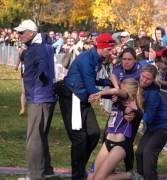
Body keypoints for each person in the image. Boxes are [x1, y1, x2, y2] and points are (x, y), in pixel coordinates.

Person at [57, 33, 115, 180]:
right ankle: (77, 175)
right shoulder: (86, 59)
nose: (111, 52)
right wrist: (115, 94)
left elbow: (93, 79)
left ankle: (80, 166)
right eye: (109, 49)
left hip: (83, 98)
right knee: (80, 140)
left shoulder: (98, 58)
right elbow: (92, 90)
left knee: (94, 133)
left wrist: (108, 83)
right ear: (101, 48)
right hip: (72, 97)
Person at [15, 19, 56, 180]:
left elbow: (42, 65)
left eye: (21, 32)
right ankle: (46, 170)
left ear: (31, 33)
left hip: (39, 97)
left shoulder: (36, 48)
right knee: (40, 135)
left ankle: (34, 175)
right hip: (44, 96)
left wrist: (42, 74)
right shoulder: (42, 46)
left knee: (33, 139)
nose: (19, 35)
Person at [87, 78, 142, 180]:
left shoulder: (131, 105)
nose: (118, 91)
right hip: (107, 142)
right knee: (91, 177)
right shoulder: (117, 100)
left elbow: (116, 91)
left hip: (120, 145)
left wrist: (100, 93)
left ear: (128, 92)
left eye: (121, 89)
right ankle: (130, 175)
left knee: (99, 178)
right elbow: (112, 77)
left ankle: (130, 175)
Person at [136, 64, 167, 180]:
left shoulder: (153, 94)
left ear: (153, 80)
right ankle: (140, 176)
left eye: (148, 79)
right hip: (154, 127)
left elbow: (148, 118)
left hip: (165, 126)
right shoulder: (140, 86)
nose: (144, 80)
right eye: (143, 76)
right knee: (139, 152)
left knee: (149, 152)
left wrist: (136, 108)